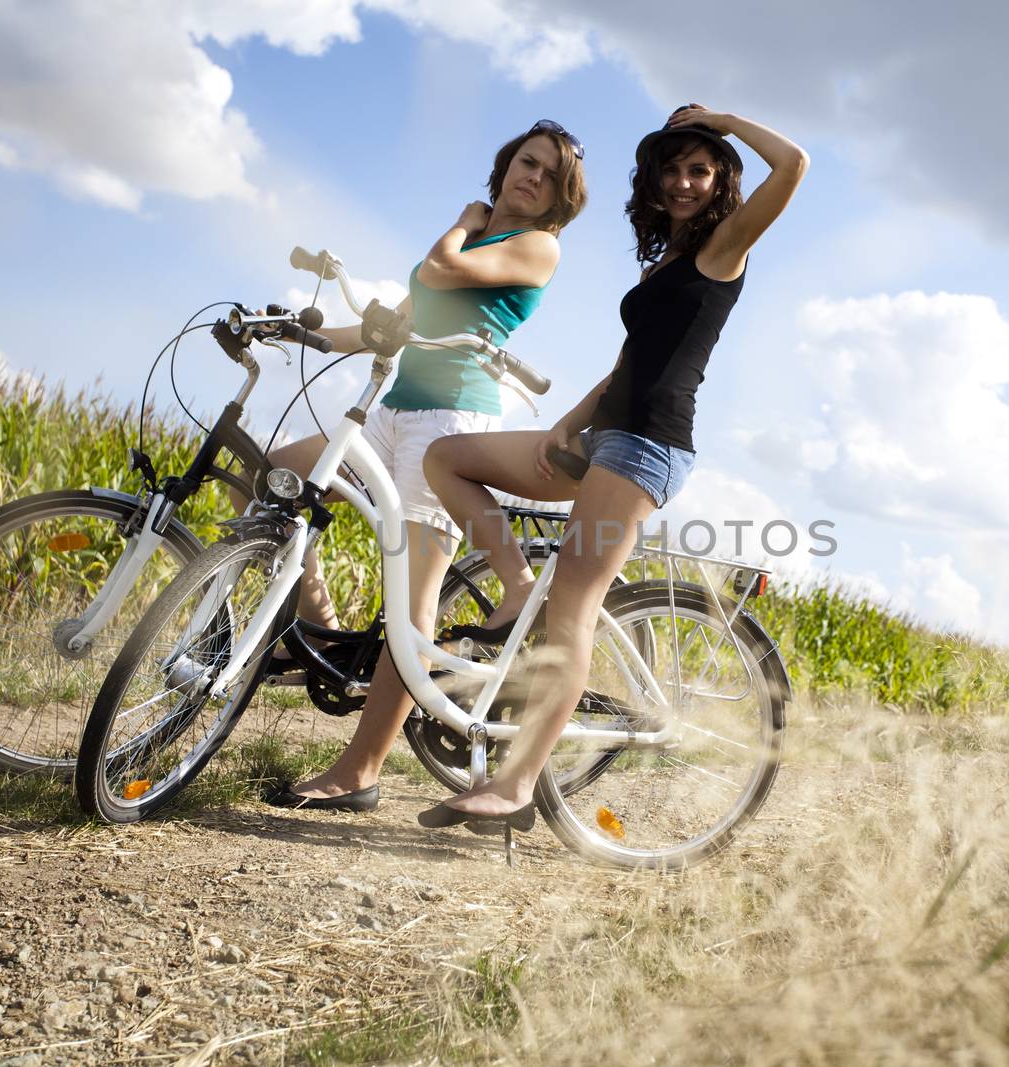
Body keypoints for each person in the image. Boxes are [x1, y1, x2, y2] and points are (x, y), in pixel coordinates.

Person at [417, 104, 807, 829]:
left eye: (700, 169)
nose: (684, 181)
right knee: (448, 458)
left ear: (721, 181)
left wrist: (721, 119)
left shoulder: (727, 246)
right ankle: (514, 586)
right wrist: (569, 421)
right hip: (605, 437)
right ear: (654, 183)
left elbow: (794, 166)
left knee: (573, 608)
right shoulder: (669, 259)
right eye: (673, 169)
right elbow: (635, 359)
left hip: (647, 447)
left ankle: (516, 786)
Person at [244, 120, 588, 811]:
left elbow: (440, 271)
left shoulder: (535, 245)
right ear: (507, 162)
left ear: (560, 198)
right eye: (527, 161)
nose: (534, 177)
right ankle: (310, 629)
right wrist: (295, 330)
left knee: (412, 600)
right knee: (277, 481)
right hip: (392, 410)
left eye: (550, 175)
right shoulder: (482, 233)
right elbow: (391, 326)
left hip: (452, 420)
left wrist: (464, 218)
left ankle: (360, 770)